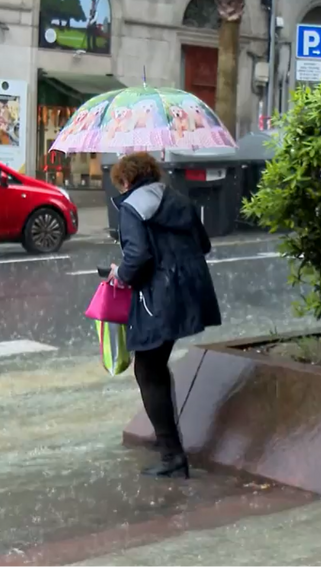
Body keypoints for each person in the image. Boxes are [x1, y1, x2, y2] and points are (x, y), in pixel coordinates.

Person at [107, 152, 222, 479]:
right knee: (156, 365)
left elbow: (138, 256)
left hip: (159, 296)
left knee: (147, 368)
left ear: (126, 180)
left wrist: (121, 274)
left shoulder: (132, 206)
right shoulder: (177, 199)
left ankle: (172, 456)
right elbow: (203, 244)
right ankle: (169, 447)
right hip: (189, 291)